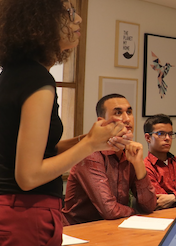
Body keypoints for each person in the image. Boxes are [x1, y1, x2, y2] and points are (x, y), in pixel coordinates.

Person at [0, 0, 126, 246]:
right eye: (68, 11)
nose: (79, 19)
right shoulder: (38, 80)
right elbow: (28, 175)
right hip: (24, 219)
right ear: (40, 22)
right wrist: (87, 147)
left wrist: (90, 139)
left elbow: (41, 150)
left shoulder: (16, 74)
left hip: (8, 216)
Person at [62, 94, 157, 225]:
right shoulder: (91, 154)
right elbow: (110, 210)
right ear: (102, 122)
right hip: (79, 232)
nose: (127, 119)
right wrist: (136, 213)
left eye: (129, 112)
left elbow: (149, 206)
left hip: (114, 228)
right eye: (118, 113)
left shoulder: (130, 151)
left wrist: (139, 164)